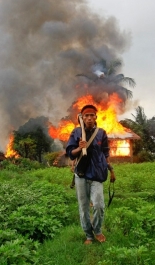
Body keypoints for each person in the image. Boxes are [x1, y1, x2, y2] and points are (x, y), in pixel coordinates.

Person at [66, 104, 116, 245]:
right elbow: (70, 153)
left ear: (95, 117)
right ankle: (89, 235)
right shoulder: (76, 132)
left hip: (96, 174)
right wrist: (79, 148)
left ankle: (98, 230)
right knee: (83, 207)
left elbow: (105, 153)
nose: (89, 118)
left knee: (99, 204)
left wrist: (111, 169)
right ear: (82, 118)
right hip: (81, 174)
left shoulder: (101, 133)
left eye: (91, 115)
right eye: (86, 116)